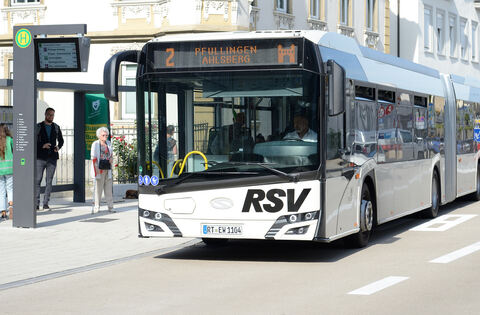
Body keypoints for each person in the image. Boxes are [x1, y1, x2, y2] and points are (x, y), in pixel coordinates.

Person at [36, 107, 64, 210]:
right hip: (40, 157)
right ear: (45, 114)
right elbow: (33, 140)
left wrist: (58, 147)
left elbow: (61, 141)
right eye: (49, 115)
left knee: (49, 181)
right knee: (37, 180)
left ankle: (46, 203)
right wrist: (42, 146)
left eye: (52, 115)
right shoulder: (38, 126)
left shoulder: (56, 127)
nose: (51, 117)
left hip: (52, 158)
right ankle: (36, 203)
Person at [91, 127, 114, 213]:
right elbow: (93, 157)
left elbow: (111, 154)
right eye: (103, 135)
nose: (105, 137)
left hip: (107, 168)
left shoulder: (109, 143)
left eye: (106, 135)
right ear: (99, 136)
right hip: (99, 168)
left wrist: (111, 158)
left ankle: (110, 207)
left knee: (108, 189)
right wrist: (96, 169)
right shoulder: (95, 144)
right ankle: (96, 207)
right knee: (98, 189)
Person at [0, 124, 13, 220]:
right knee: (10, 188)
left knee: (1, 191)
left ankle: (3, 212)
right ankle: (11, 207)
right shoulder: (10, 139)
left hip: (0, 170)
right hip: (10, 169)